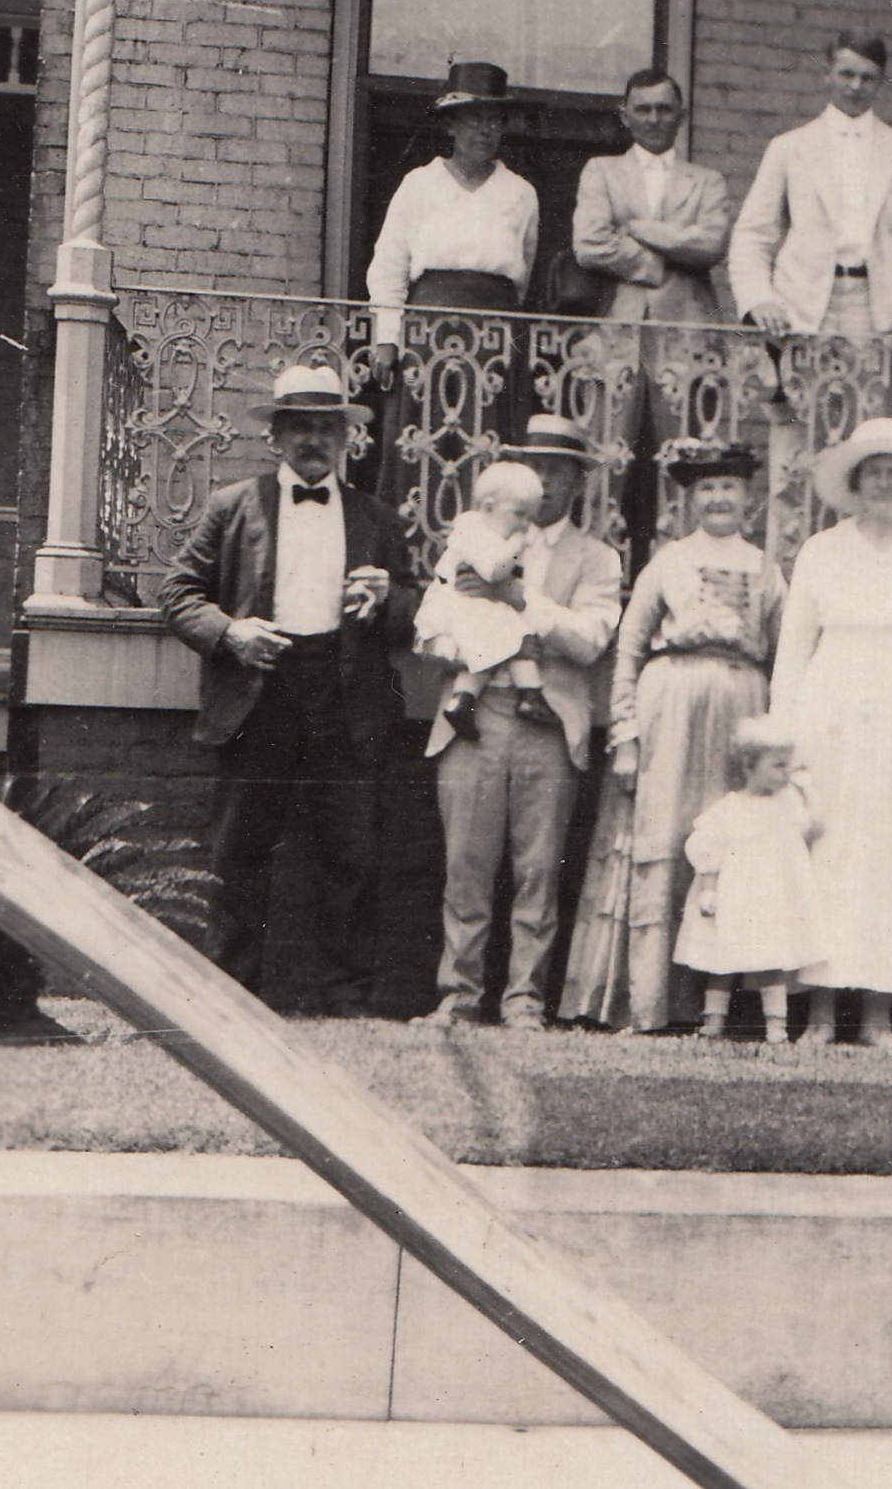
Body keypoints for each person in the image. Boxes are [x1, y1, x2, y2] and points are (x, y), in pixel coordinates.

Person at [156, 363, 417, 1016]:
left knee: (352, 854)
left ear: (344, 439)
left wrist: (389, 600)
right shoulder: (234, 505)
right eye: (298, 426)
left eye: (325, 427)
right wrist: (231, 631)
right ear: (275, 436)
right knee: (239, 849)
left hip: (344, 695)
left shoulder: (376, 517)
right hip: (260, 693)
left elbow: (418, 609)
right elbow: (177, 592)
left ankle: (346, 999)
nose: (312, 440)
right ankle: (230, 996)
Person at [569, 440, 784, 1032]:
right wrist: (627, 736)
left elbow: (783, 653)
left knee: (722, 845)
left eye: (730, 488)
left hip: (739, 712)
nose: (718, 498)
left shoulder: (767, 567)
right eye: (706, 488)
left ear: (750, 498)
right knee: (660, 839)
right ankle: (646, 1003)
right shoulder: (667, 562)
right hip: (670, 710)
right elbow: (630, 649)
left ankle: (710, 1007)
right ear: (689, 500)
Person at [417, 417, 623, 1032]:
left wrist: (516, 601)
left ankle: (524, 999)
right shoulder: (472, 538)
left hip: (548, 722)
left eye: (560, 471)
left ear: (578, 482)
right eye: (536, 467)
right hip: (475, 713)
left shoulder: (596, 558)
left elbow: (589, 641)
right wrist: (459, 645)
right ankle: (458, 995)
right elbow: (430, 623)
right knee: (466, 863)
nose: (547, 481)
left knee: (538, 865)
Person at [774, 417, 892, 1045]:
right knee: (830, 857)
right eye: (873, 472)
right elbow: (793, 652)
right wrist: (784, 736)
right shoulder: (822, 552)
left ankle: (880, 1017)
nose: (884, 483)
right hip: (831, 714)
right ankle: (823, 1015)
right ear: (856, 484)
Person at [727, 32, 892, 343]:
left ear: (880, 82)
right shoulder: (790, 147)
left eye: (867, 78)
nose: (855, 86)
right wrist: (760, 299)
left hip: (876, 309)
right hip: (801, 306)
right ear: (826, 74)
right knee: (801, 389)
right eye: (847, 74)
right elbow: (752, 235)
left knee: (870, 391)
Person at [368, 61, 539, 356]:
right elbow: (389, 267)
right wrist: (387, 338)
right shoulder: (419, 184)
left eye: (495, 121)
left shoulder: (520, 193)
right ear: (451, 124)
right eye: (474, 119)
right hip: (429, 330)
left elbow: (525, 275)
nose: (485, 131)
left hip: (497, 335)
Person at [676, 716, 827, 1045]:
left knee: (770, 960)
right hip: (735, 897)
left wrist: (807, 789)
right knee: (721, 962)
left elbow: (814, 826)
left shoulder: (786, 806)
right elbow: (708, 851)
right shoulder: (729, 808)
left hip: (769, 898)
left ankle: (776, 1026)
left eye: (788, 765)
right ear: (749, 765)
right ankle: (713, 1022)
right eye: (778, 765)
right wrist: (708, 890)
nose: (785, 773)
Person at [571, 66, 733, 326]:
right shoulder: (602, 171)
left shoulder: (707, 181)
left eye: (664, 109)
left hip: (688, 327)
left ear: (681, 117)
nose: (653, 119)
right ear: (625, 116)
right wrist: (660, 263)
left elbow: (711, 245)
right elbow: (589, 245)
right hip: (618, 322)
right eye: (643, 109)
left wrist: (642, 231)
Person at [411, 460, 555, 739]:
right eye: (519, 514)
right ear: (488, 507)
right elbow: (492, 571)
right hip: (465, 607)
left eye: (530, 518)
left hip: (475, 606)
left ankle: (464, 700)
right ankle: (528, 694)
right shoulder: (475, 533)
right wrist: (515, 546)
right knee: (510, 640)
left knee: (493, 649)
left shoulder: (486, 529)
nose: (524, 525)